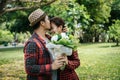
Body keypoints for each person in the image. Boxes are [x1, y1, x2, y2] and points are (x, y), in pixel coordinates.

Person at [24, 9, 66, 80]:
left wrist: (62, 33)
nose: (50, 21)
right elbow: (29, 68)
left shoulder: (50, 39)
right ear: (42, 23)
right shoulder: (32, 43)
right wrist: (52, 66)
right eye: (48, 19)